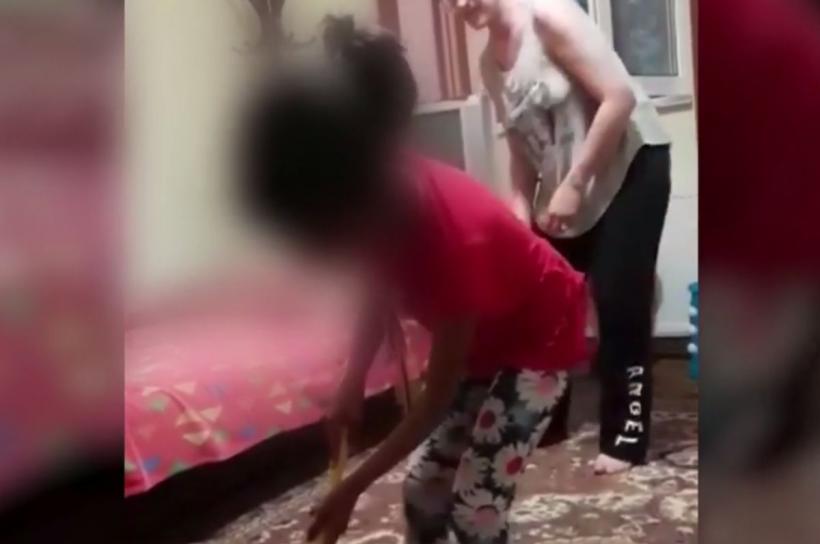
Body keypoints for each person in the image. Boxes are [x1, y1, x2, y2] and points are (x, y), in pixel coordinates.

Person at [238, 16, 590, 544]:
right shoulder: (371, 202)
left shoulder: (452, 237)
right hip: (485, 333)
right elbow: (377, 290)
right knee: (424, 491)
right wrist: (352, 381)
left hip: (538, 338)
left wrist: (353, 487)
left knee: (476, 508)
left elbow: (435, 399)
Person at [445, 0, 672, 473]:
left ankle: (625, 438)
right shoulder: (489, 64)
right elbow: (521, 148)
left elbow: (619, 98)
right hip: (569, 183)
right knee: (545, 301)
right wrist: (518, 215)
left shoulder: (551, 17)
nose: (460, 5)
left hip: (630, 167)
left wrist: (574, 183)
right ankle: (547, 420)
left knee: (617, 300)